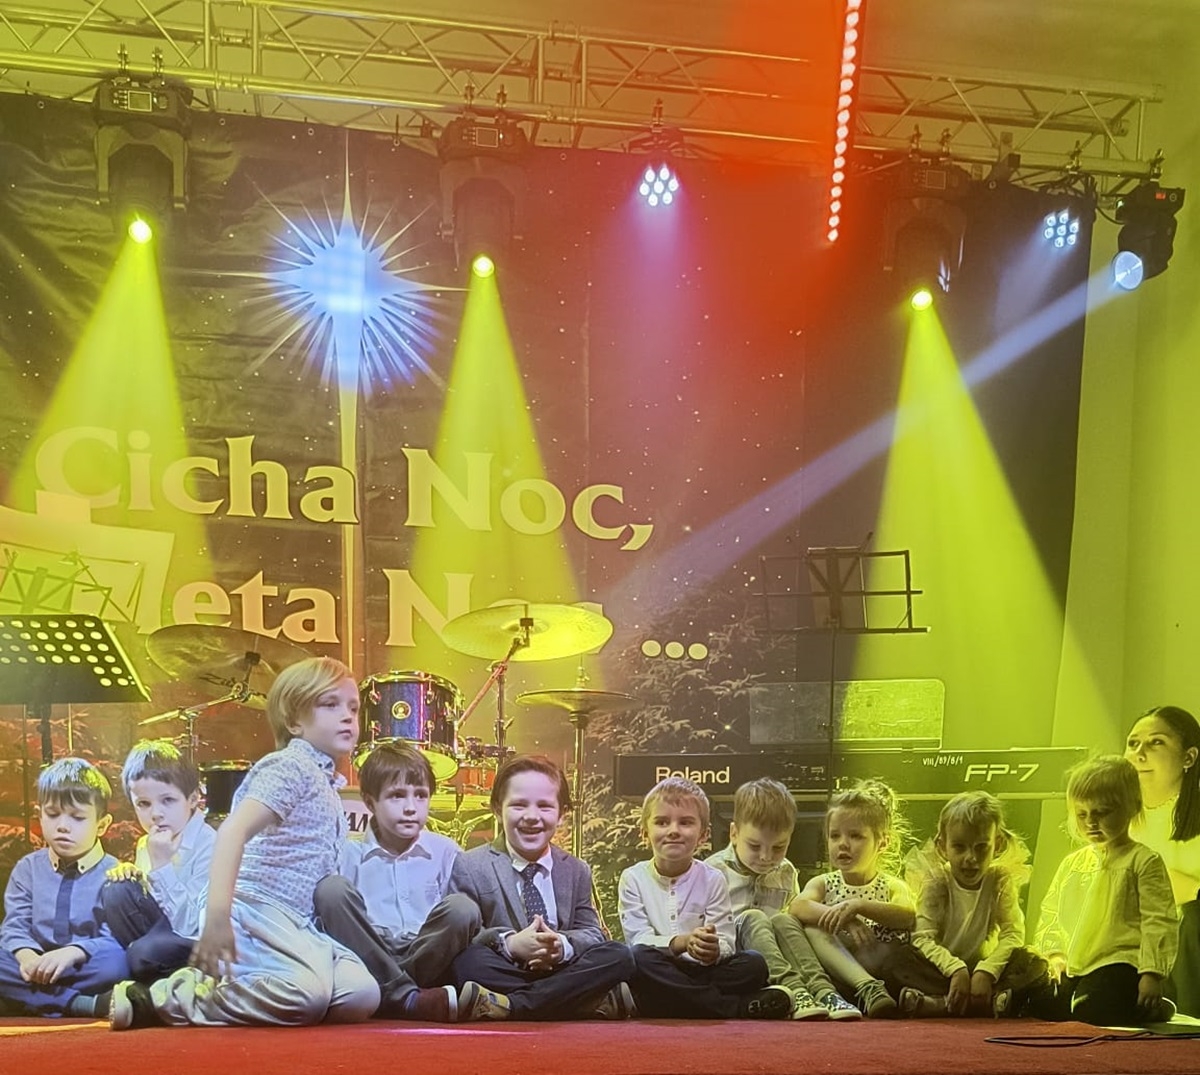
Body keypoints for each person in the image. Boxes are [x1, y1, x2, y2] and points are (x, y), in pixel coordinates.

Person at [105, 656, 380, 1029]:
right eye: (330, 705)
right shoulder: (290, 766)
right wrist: (218, 918)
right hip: (255, 908)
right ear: (294, 722)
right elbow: (233, 831)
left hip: (296, 920)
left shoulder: (325, 780)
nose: (347, 716)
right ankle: (167, 997)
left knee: (362, 994)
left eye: (353, 707)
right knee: (305, 998)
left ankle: (263, 988)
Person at [312, 740, 496, 1020]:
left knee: (463, 907)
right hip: (369, 951)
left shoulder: (446, 851)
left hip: (428, 953)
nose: (411, 807)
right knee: (331, 890)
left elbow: (465, 924)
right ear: (370, 802)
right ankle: (407, 998)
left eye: (421, 796)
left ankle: (393, 994)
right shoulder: (347, 853)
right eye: (397, 796)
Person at [448, 754, 636, 1020]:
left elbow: (592, 933)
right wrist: (511, 944)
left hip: (563, 968)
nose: (532, 817)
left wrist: (562, 946)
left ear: (562, 814)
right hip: (507, 966)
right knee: (467, 962)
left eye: (545, 806)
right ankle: (579, 1003)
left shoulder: (576, 869)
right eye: (519, 805)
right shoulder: (470, 864)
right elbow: (466, 936)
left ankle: (511, 1005)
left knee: (619, 955)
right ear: (497, 809)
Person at [619, 775, 792, 1019]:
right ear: (644, 833)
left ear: (703, 835)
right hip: (659, 967)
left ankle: (666, 1003)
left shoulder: (713, 878)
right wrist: (682, 942)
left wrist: (712, 950)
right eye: (662, 822)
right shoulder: (633, 878)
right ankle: (735, 1007)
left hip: (700, 972)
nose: (673, 831)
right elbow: (638, 940)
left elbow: (725, 942)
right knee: (637, 958)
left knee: (754, 964)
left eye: (685, 823)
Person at [1032, 754, 1177, 1025]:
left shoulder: (1143, 861)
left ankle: (1150, 1008)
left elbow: (1159, 920)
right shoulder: (1072, 864)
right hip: (1077, 963)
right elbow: (1050, 912)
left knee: (1091, 1009)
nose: (1091, 822)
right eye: (1082, 814)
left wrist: (1152, 973)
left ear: (1132, 807)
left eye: (1102, 812)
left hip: (1121, 962)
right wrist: (1054, 954)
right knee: (1042, 1005)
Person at [704, 777, 860, 1019]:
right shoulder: (711, 872)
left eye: (778, 847)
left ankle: (823, 991)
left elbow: (791, 930)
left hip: (778, 959)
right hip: (738, 964)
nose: (766, 857)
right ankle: (794, 991)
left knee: (786, 920)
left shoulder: (786, 872)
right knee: (754, 917)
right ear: (734, 833)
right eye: (754, 846)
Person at [896, 791, 1048, 1016]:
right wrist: (956, 969)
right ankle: (980, 1003)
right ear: (942, 847)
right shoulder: (936, 881)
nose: (971, 858)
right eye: (959, 847)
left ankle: (943, 1004)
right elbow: (922, 937)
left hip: (984, 970)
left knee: (1035, 963)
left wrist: (986, 971)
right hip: (941, 971)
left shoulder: (999, 880)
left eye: (981, 847)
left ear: (997, 845)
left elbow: (1013, 934)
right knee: (897, 959)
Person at [0, 757, 129, 1017]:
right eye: (52, 814)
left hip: (81, 965)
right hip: (34, 964)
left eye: (77, 817)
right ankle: (83, 1004)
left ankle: (28, 999)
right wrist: (28, 958)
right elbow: (15, 926)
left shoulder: (114, 872)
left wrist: (73, 953)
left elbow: (114, 938)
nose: (62, 826)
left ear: (102, 825)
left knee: (117, 963)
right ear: (39, 815)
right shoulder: (28, 868)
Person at [787, 779, 914, 1018]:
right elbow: (797, 906)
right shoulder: (824, 883)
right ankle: (862, 987)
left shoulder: (891, 885)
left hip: (883, 971)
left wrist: (859, 906)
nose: (843, 844)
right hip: (839, 976)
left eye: (855, 836)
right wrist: (846, 918)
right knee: (813, 929)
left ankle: (874, 990)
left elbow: (907, 914)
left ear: (882, 842)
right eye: (835, 836)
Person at [100, 739, 216, 982]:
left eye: (168, 800)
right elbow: (149, 911)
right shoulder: (147, 842)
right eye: (144, 804)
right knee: (116, 890)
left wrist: (162, 865)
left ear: (193, 798)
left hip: (200, 942)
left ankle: (164, 981)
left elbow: (190, 926)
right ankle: (149, 977)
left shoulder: (210, 844)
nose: (156, 814)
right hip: (161, 936)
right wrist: (132, 876)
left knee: (143, 953)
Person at [1125, 704, 1200, 1015]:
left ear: (1189, 757)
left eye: (1156, 742)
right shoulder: (1113, 815)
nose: (1139, 753)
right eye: (1133, 743)